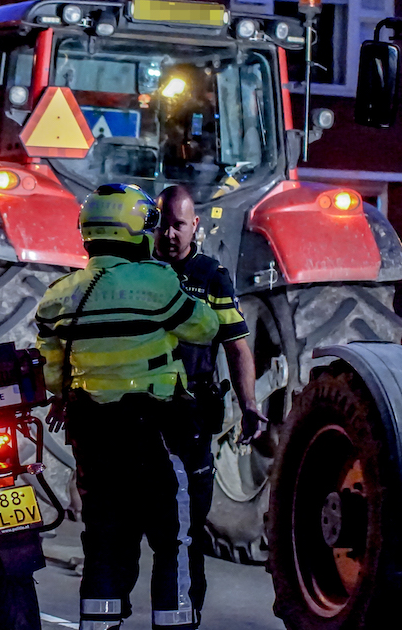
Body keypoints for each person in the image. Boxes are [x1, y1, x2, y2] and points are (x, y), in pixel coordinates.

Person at [36, 183, 219, 630]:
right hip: (155, 431)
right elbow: (205, 328)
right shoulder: (155, 282)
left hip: (93, 435)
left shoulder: (58, 294)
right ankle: (173, 624)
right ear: (136, 229)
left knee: (104, 538)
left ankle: (99, 626)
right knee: (173, 539)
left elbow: (50, 374)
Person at [153, 184, 266, 622]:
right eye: (163, 224)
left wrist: (250, 403)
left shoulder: (212, 277)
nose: (169, 234)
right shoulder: (138, 273)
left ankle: (186, 614)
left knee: (186, 530)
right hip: (142, 415)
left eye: (178, 225)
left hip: (191, 416)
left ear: (194, 225)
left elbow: (238, 348)